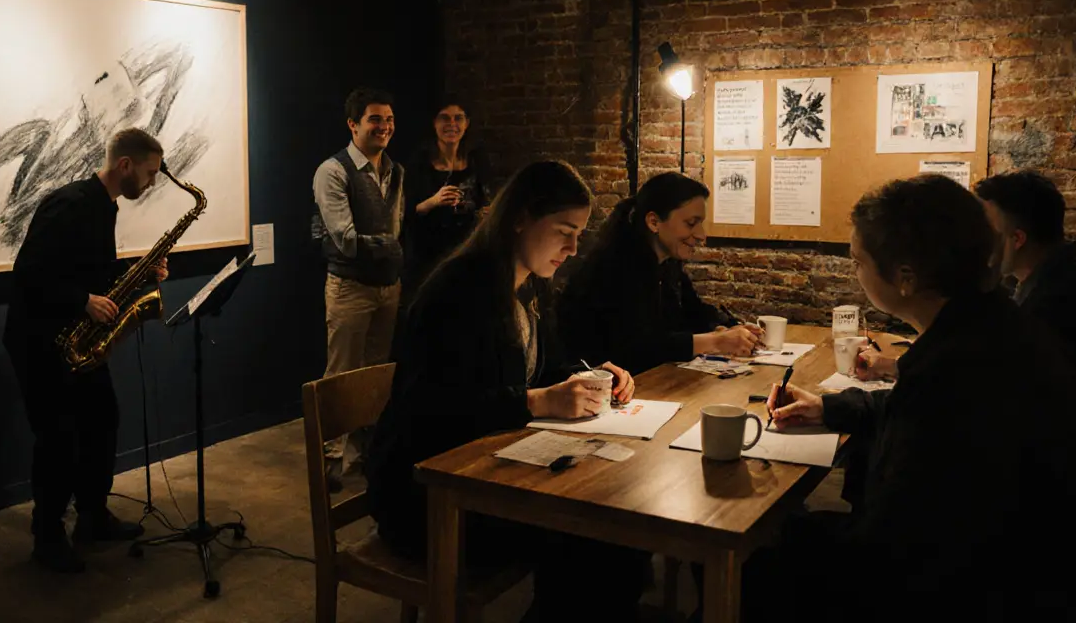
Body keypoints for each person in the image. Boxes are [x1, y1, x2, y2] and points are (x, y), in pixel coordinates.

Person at [747, 174, 1076, 622]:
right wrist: (828, 406)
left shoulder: (957, 370)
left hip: (1007, 590)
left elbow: (897, 550)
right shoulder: (991, 326)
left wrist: (771, 529)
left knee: (751, 565)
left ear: (905, 277)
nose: (856, 272)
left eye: (857, 261)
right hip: (1048, 566)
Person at [366, 160, 649, 620]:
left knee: (618, 536)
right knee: (596, 542)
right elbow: (431, 407)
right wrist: (534, 401)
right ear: (520, 218)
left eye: (578, 233)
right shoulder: (459, 290)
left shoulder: (528, 285)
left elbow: (542, 365)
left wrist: (590, 372)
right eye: (564, 231)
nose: (574, 247)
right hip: (427, 497)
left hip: (489, 475)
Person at [3, 128, 169, 573]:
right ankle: (48, 535)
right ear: (125, 166)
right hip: (39, 341)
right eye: (150, 174)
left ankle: (93, 516)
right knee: (57, 439)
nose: (151, 182)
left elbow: (87, 269)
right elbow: (29, 273)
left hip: (74, 340)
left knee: (102, 419)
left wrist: (138, 270)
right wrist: (82, 301)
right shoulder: (69, 203)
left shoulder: (103, 206)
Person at [559, 171, 761, 376]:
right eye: (691, 223)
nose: (701, 235)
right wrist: (715, 341)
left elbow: (693, 311)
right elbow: (636, 348)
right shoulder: (617, 265)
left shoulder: (667, 263)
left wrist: (731, 327)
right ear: (654, 222)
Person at [311, 87, 405, 491]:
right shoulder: (332, 171)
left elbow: (394, 227)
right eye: (375, 119)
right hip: (349, 287)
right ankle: (330, 459)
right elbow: (345, 239)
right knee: (341, 375)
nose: (384, 126)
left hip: (388, 287)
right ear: (353, 124)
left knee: (375, 375)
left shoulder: (395, 171)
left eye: (388, 119)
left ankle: (368, 452)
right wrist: (390, 247)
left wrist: (389, 247)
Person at [401, 99, 490, 301]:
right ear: (434, 123)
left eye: (458, 118)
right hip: (428, 258)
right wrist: (434, 201)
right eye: (444, 118)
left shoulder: (476, 159)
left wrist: (485, 212)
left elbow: (484, 199)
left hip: (466, 254)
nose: (452, 124)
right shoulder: (420, 162)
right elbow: (404, 213)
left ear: (467, 123)